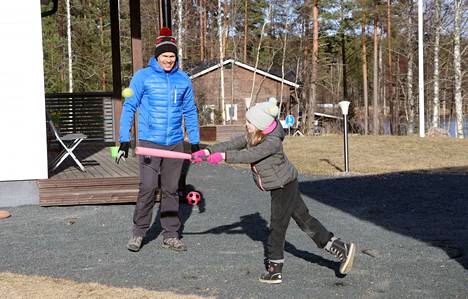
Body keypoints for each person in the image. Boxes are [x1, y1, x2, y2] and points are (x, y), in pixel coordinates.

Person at [192, 97, 356, 284]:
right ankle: (340, 248)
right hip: (285, 183)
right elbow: (232, 143)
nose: (246, 125)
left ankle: (274, 269)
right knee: (304, 220)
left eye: (249, 122)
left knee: (277, 227)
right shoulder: (255, 134)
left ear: (261, 125)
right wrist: (207, 151)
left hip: (283, 186)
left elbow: (249, 155)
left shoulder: (272, 142)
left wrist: (223, 157)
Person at [117, 27, 200, 252]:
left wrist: (194, 140)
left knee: (171, 189)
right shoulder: (142, 76)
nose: (169, 60)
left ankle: (171, 234)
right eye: (165, 56)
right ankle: (138, 233)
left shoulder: (183, 79)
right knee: (147, 187)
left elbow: (190, 110)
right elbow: (129, 106)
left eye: (172, 56)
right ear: (157, 56)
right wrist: (125, 139)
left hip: (174, 142)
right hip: (149, 142)